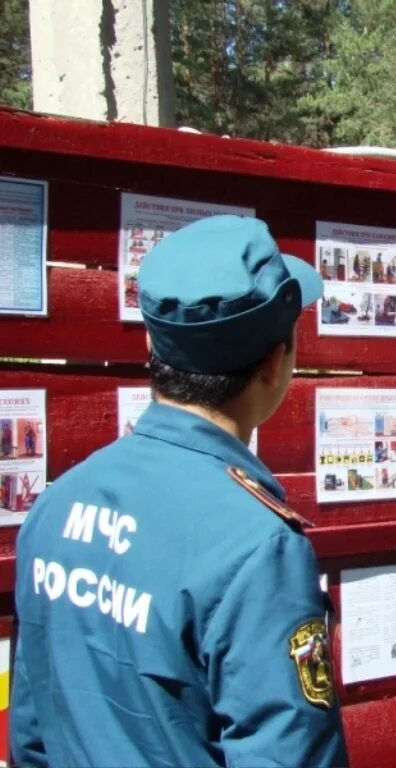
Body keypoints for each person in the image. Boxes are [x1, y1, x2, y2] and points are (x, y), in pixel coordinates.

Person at [12, 215, 347, 767]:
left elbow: (31, 734)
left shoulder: (56, 505)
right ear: (275, 361)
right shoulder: (257, 546)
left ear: (154, 343)